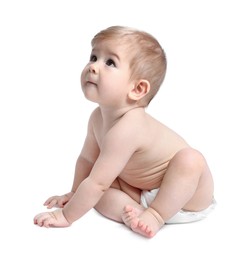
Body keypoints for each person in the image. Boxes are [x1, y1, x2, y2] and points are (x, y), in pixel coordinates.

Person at [34, 26, 215, 238]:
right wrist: (75, 194)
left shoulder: (129, 126)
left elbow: (97, 183)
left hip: (186, 195)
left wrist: (66, 215)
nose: (93, 67)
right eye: (93, 57)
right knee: (95, 193)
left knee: (190, 159)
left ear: (137, 89)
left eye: (110, 62)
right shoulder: (97, 117)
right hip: (141, 191)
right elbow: (87, 160)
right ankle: (136, 214)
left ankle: (155, 216)